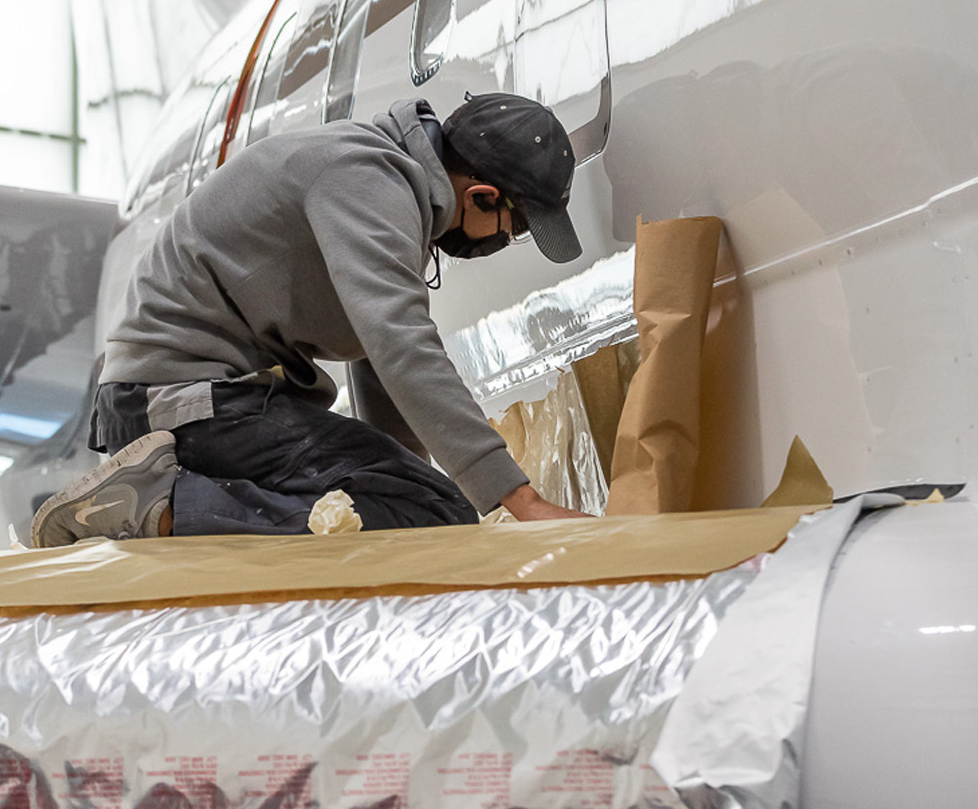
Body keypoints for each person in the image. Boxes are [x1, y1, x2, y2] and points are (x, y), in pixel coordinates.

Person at [31, 93, 589, 547]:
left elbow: (379, 360)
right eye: (513, 229)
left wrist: (397, 475)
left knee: (420, 506)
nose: (502, 242)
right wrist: (522, 501)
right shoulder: (369, 180)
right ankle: (162, 509)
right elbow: (402, 346)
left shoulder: (387, 182)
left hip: (198, 396)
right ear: (484, 196)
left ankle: (169, 502)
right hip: (181, 399)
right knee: (431, 515)